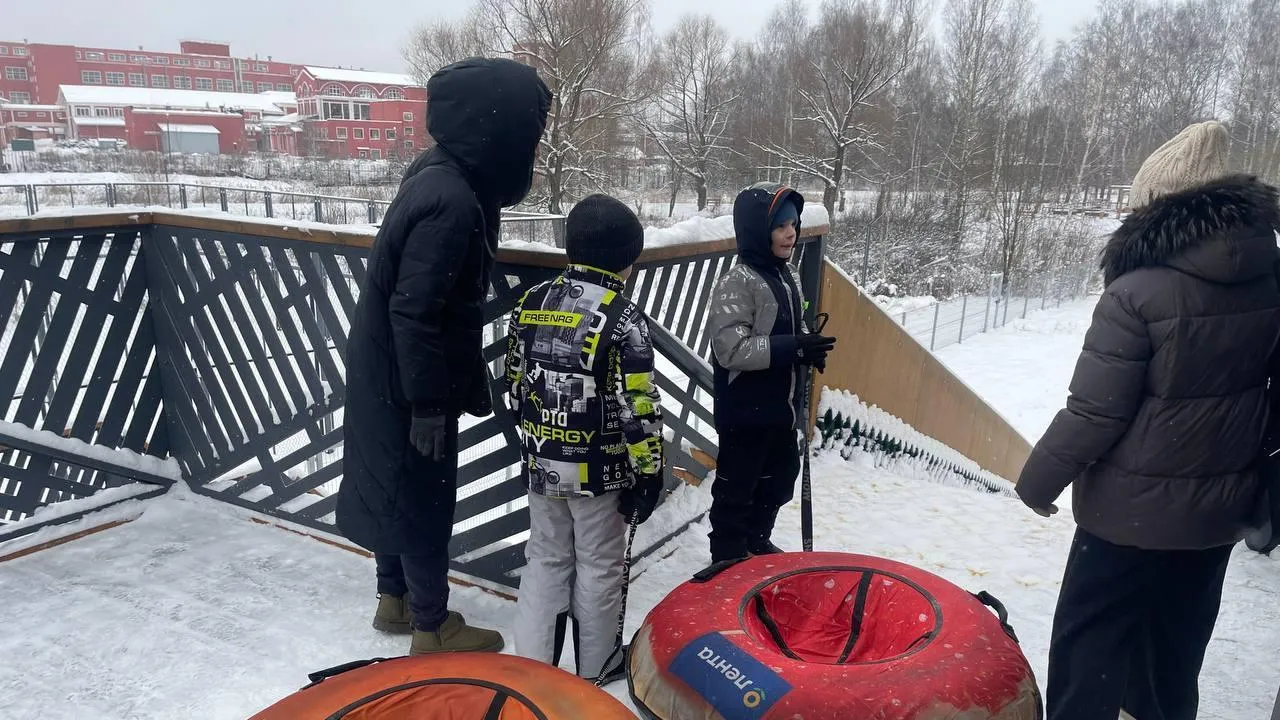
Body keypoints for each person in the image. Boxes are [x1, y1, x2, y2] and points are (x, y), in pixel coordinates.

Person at [1016, 120, 1280, 720]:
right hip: (1217, 514)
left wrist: (1038, 481)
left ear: (1156, 211)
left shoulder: (1136, 294)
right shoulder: (1270, 277)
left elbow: (1095, 411)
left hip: (1126, 517)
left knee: (1090, 645)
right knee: (1173, 654)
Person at [335, 57, 550, 655]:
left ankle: (393, 598)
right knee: (423, 495)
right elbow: (418, 310)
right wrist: (430, 402)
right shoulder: (452, 200)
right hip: (409, 376)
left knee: (394, 484)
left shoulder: (434, 173)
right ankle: (431, 628)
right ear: (497, 133)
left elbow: (428, 300)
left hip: (387, 367)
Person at [504, 194, 665, 682]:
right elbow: (637, 407)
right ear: (629, 260)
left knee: (545, 557)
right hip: (603, 472)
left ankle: (532, 667)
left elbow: (515, 383)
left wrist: (538, 441)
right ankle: (597, 667)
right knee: (599, 565)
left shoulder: (530, 304)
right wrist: (650, 471)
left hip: (542, 463)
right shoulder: (624, 320)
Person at [705, 182, 836, 563]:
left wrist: (808, 347)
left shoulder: (788, 276)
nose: (791, 233)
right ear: (756, 232)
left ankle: (757, 540)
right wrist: (791, 347)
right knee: (738, 487)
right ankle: (728, 555)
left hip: (780, 408)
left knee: (779, 479)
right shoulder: (737, 282)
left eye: (793, 224)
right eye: (780, 226)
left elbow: (791, 328)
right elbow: (731, 349)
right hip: (746, 412)